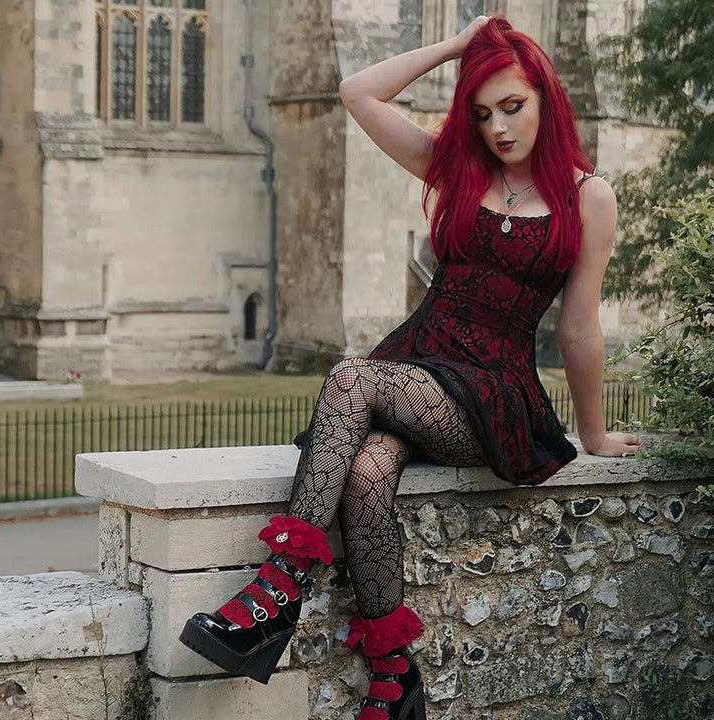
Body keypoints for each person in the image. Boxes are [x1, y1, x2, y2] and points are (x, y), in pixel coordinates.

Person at [179, 15, 643, 720]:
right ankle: (397, 681)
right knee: (364, 475)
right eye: (483, 113)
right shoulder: (460, 170)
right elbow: (358, 92)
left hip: (492, 393)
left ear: (547, 96)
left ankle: (276, 594)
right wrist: (460, 47)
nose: (499, 128)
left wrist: (596, 432)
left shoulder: (589, 197)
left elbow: (579, 326)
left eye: (513, 106)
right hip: (418, 367)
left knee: (348, 376)